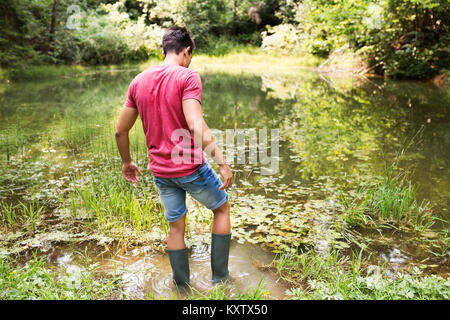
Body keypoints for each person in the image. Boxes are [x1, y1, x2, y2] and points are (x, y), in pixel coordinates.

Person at [115, 26, 233, 287]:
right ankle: (221, 280)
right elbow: (195, 123)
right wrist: (222, 164)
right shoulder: (188, 76)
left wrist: (127, 162)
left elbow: (120, 130)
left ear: (163, 50)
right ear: (186, 51)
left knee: (176, 227)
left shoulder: (138, 81)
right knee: (222, 208)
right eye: (191, 55)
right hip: (190, 167)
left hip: (161, 171)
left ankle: (181, 287)